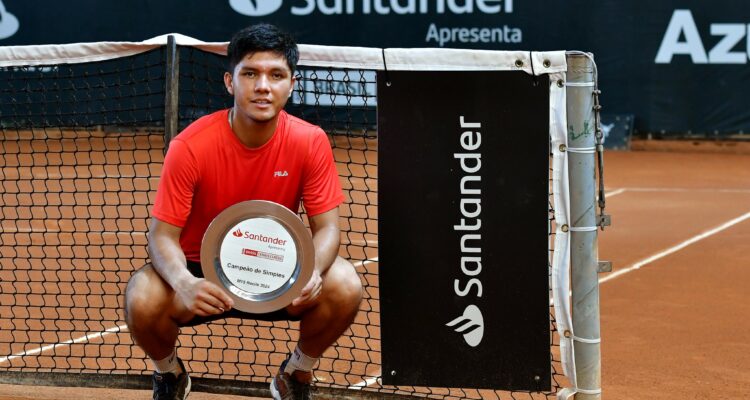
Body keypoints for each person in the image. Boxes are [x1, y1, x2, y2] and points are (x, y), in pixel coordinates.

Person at [124, 23, 363, 400]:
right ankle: (169, 375)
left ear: (292, 84)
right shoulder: (190, 146)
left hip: (279, 273)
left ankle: (296, 374)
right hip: (202, 275)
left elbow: (327, 229)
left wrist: (313, 273)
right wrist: (185, 283)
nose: (263, 86)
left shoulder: (310, 141)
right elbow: (161, 235)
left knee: (345, 282)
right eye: (250, 73)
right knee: (142, 294)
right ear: (229, 82)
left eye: (276, 75)